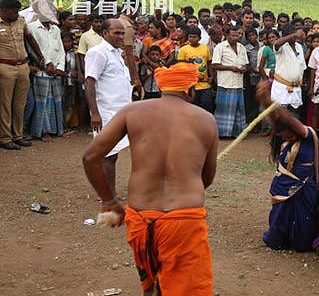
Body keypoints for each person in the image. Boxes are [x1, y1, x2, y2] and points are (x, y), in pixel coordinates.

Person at [83, 61, 218, 295]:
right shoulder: (206, 119)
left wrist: (109, 201)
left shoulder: (132, 111)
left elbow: (90, 158)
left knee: (151, 281)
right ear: (191, 90)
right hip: (184, 222)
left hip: (141, 219)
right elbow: (207, 178)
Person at [256, 80, 319, 252]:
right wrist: (265, 102)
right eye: (285, 138)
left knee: (302, 240)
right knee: (278, 230)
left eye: (291, 137)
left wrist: (271, 102)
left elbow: (286, 118)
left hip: (304, 191)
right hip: (285, 189)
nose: (288, 140)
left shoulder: (306, 135)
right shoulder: (285, 142)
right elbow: (275, 119)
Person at [84, 19, 133, 196]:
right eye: (116, 33)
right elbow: (89, 82)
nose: (121, 36)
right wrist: (95, 113)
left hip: (121, 111)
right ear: (105, 33)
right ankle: (108, 194)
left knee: (114, 153)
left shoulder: (117, 54)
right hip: (106, 112)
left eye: (122, 33)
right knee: (108, 155)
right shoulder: (98, 52)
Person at [0, 0, 45, 150]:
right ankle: (5, 138)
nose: (17, 14)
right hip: (4, 67)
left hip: (23, 66)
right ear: (4, 11)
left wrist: (40, 56)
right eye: (14, 12)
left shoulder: (20, 21)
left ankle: (17, 135)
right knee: (5, 104)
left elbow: (30, 39)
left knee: (20, 104)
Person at [29, 12, 66, 140]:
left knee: (56, 100)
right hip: (42, 70)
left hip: (55, 71)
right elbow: (35, 48)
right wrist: (47, 65)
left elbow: (61, 49)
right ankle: (43, 131)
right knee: (43, 102)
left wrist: (60, 68)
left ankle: (56, 129)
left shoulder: (56, 29)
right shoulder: (32, 27)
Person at [211, 26, 249, 138]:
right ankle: (223, 133)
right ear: (227, 35)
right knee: (224, 109)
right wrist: (231, 68)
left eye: (237, 35)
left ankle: (237, 132)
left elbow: (246, 64)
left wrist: (244, 69)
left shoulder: (242, 47)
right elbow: (215, 65)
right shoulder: (220, 47)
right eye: (233, 35)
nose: (236, 38)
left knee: (238, 109)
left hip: (238, 83)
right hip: (226, 83)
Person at [271, 24, 306, 110]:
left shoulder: (299, 47)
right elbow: (276, 44)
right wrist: (292, 35)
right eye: (290, 34)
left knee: (294, 115)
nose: (293, 36)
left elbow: (302, 67)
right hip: (282, 87)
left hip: (296, 87)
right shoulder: (281, 47)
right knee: (280, 115)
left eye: (294, 33)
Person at [178, 26, 213, 112]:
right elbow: (180, 67)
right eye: (190, 37)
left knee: (206, 106)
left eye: (194, 37)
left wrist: (211, 76)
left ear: (199, 38)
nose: (192, 39)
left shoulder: (205, 48)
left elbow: (209, 63)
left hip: (205, 84)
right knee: (193, 108)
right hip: (191, 85)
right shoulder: (183, 50)